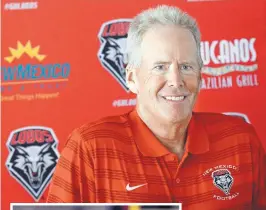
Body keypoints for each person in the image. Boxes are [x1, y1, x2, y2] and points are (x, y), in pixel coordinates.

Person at [47, 5, 266, 209]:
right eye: (160, 67)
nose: (175, 80)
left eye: (186, 66)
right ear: (132, 78)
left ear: (200, 76)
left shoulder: (240, 141)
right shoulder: (90, 148)